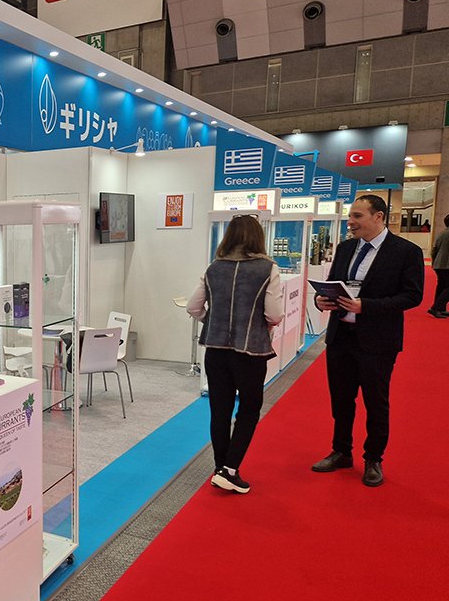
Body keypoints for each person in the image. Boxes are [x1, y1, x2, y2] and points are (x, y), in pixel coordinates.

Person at [311, 195, 424, 486]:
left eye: (357, 216)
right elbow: (333, 284)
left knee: (376, 402)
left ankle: (373, 458)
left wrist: (367, 306)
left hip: (378, 342)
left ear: (378, 217)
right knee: (341, 399)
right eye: (351, 216)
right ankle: (341, 451)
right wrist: (321, 300)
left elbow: (412, 296)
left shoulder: (405, 252)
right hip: (340, 338)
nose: (350, 222)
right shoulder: (346, 248)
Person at [187, 214, 284, 494]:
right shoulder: (268, 268)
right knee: (249, 410)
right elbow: (274, 314)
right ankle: (229, 470)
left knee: (219, 410)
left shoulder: (214, 268)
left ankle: (221, 466)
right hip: (250, 352)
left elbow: (193, 308)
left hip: (216, 351)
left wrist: (213, 322)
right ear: (258, 236)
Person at [429, 213, 449, 319]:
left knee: (441, 286)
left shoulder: (441, 234)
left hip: (439, 264)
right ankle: (436, 307)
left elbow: (434, 250)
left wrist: (434, 262)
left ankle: (440, 308)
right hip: (447, 265)